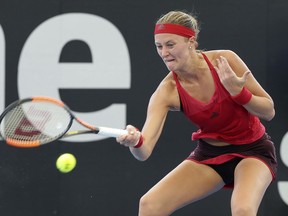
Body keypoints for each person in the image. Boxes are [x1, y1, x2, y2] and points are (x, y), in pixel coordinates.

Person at [116, 10, 277, 216]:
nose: (164, 52)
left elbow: (269, 110)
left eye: (170, 44)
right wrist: (136, 141)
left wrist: (239, 93)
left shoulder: (224, 60)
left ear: (191, 41)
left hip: (253, 151)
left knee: (243, 210)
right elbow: (144, 151)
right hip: (210, 156)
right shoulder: (167, 91)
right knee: (149, 204)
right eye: (159, 46)